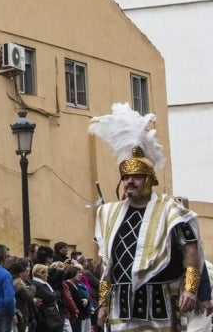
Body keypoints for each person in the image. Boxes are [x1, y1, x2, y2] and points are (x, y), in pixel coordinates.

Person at [89, 103, 207, 331]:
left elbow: (190, 249)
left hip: (160, 302)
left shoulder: (171, 210)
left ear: (150, 180)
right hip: (120, 304)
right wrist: (103, 303)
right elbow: (107, 264)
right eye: (126, 177)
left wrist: (191, 288)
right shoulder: (109, 214)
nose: (130, 181)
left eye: (136, 177)